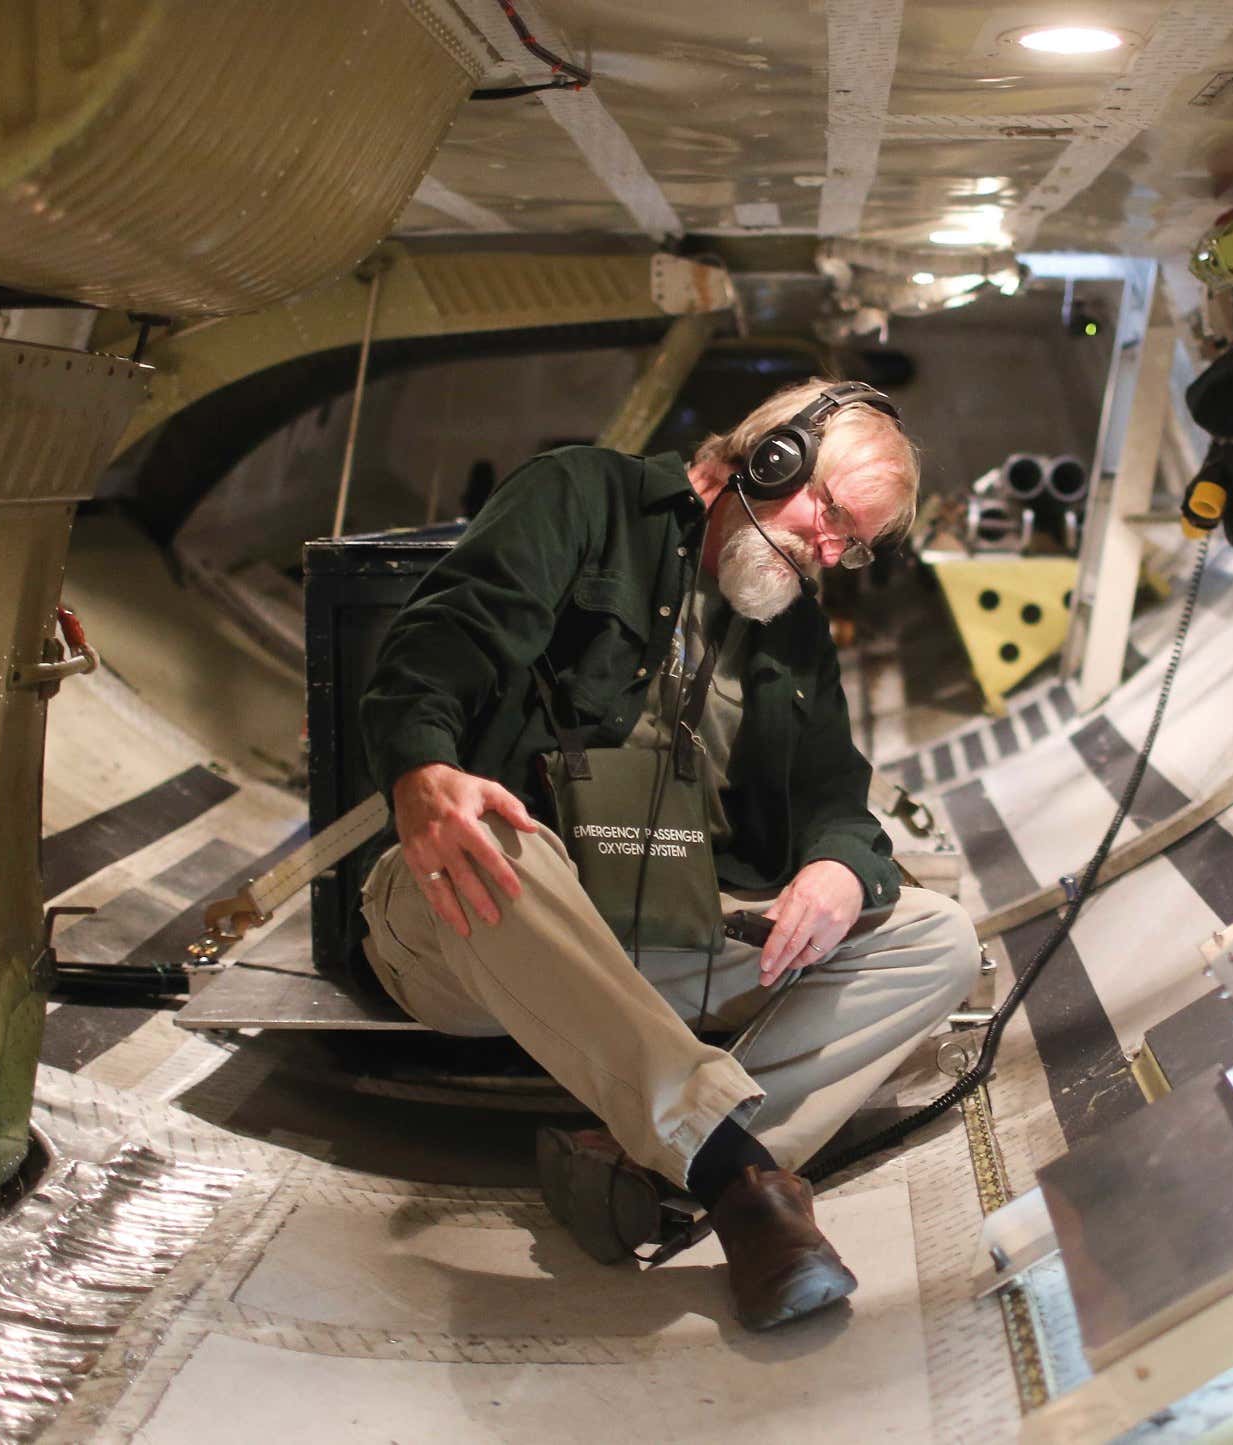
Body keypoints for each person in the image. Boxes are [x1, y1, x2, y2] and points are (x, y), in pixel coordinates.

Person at [355, 379, 979, 1331]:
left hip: (662, 947)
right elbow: (447, 636)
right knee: (502, 841)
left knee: (939, 940)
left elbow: (835, 799)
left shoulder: (793, 629)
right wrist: (423, 771)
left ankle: (639, 1152)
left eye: (851, 544)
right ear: (772, 456)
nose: (829, 552)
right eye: (830, 517)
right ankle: (734, 1177)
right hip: (476, 923)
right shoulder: (583, 497)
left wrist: (838, 870)